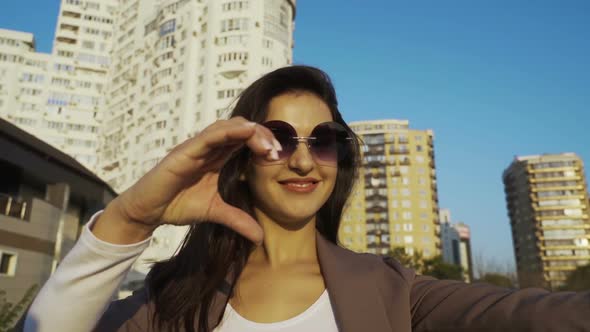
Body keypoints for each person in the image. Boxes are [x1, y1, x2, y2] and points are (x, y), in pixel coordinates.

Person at [23, 66, 589, 332]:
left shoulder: (392, 291)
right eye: (276, 141)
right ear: (239, 162)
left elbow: (532, 315)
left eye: (323, 142)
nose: (301, 160)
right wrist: (130, 216)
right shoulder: (169, 298)